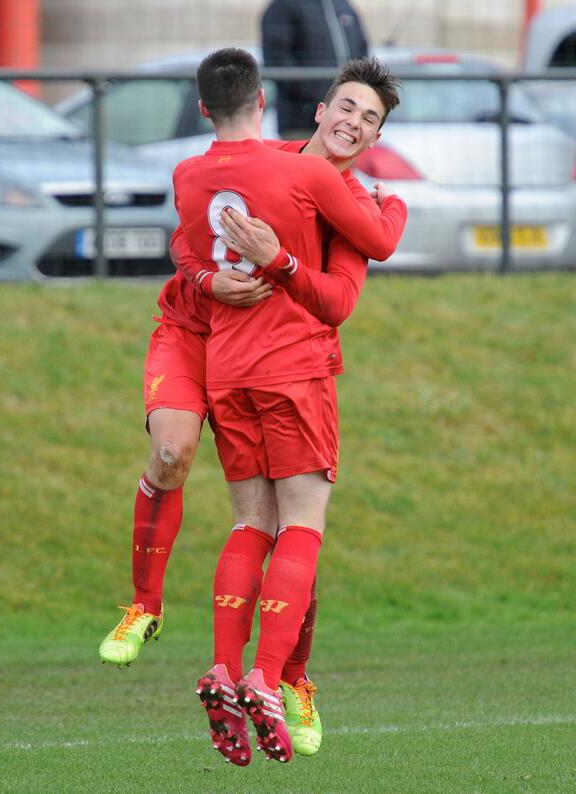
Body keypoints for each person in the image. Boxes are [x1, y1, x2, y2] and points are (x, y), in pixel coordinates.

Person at [98, 52, 404, 760]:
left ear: (377, 137)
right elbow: (340, 289)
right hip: (277, 369)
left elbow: (352, 280)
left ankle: (246, 675)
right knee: (298, 525)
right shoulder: (298, 176)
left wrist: (277, 259)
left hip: (236, 369)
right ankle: (265, 675)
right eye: (348, 107)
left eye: (372, 118)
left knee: (257, 526)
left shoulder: (333, 192)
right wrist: (237, 271)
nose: (356, 122)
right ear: (318, 109)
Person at [262, 0, 368, 138]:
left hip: (345, 123)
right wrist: (323, 99)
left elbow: (362, 53)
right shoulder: (284, 5)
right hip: (302, 124)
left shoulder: (343, 5)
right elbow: (278, 61)